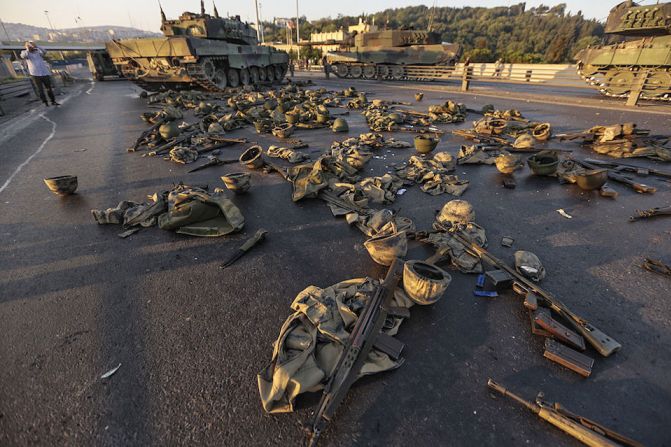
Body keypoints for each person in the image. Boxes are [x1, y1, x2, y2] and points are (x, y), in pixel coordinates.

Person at [20, 41, 59, 106]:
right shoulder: (25, 53)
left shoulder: (38, 51)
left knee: (49, 88)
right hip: (35, 74)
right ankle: (45, 102)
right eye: (29, 45)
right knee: (40, 89)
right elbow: (23, 56)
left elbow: (44, 52)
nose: (31, 46)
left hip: (44, 72)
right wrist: (27, 48)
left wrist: (36, 46)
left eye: (31, 45)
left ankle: (53, 101)